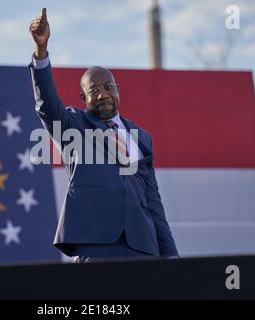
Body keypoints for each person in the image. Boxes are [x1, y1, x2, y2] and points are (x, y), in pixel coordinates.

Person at [29, 8, 178, 262]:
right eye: (93, 89)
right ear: (83, 98)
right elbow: (47, 105)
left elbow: (153, 202)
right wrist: (41, 52)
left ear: (118, 90)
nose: (102, 94)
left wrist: (169, 254)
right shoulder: (73, 125)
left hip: (143, 247)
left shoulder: (141, 137)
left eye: (108, 87)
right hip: (95, 246)